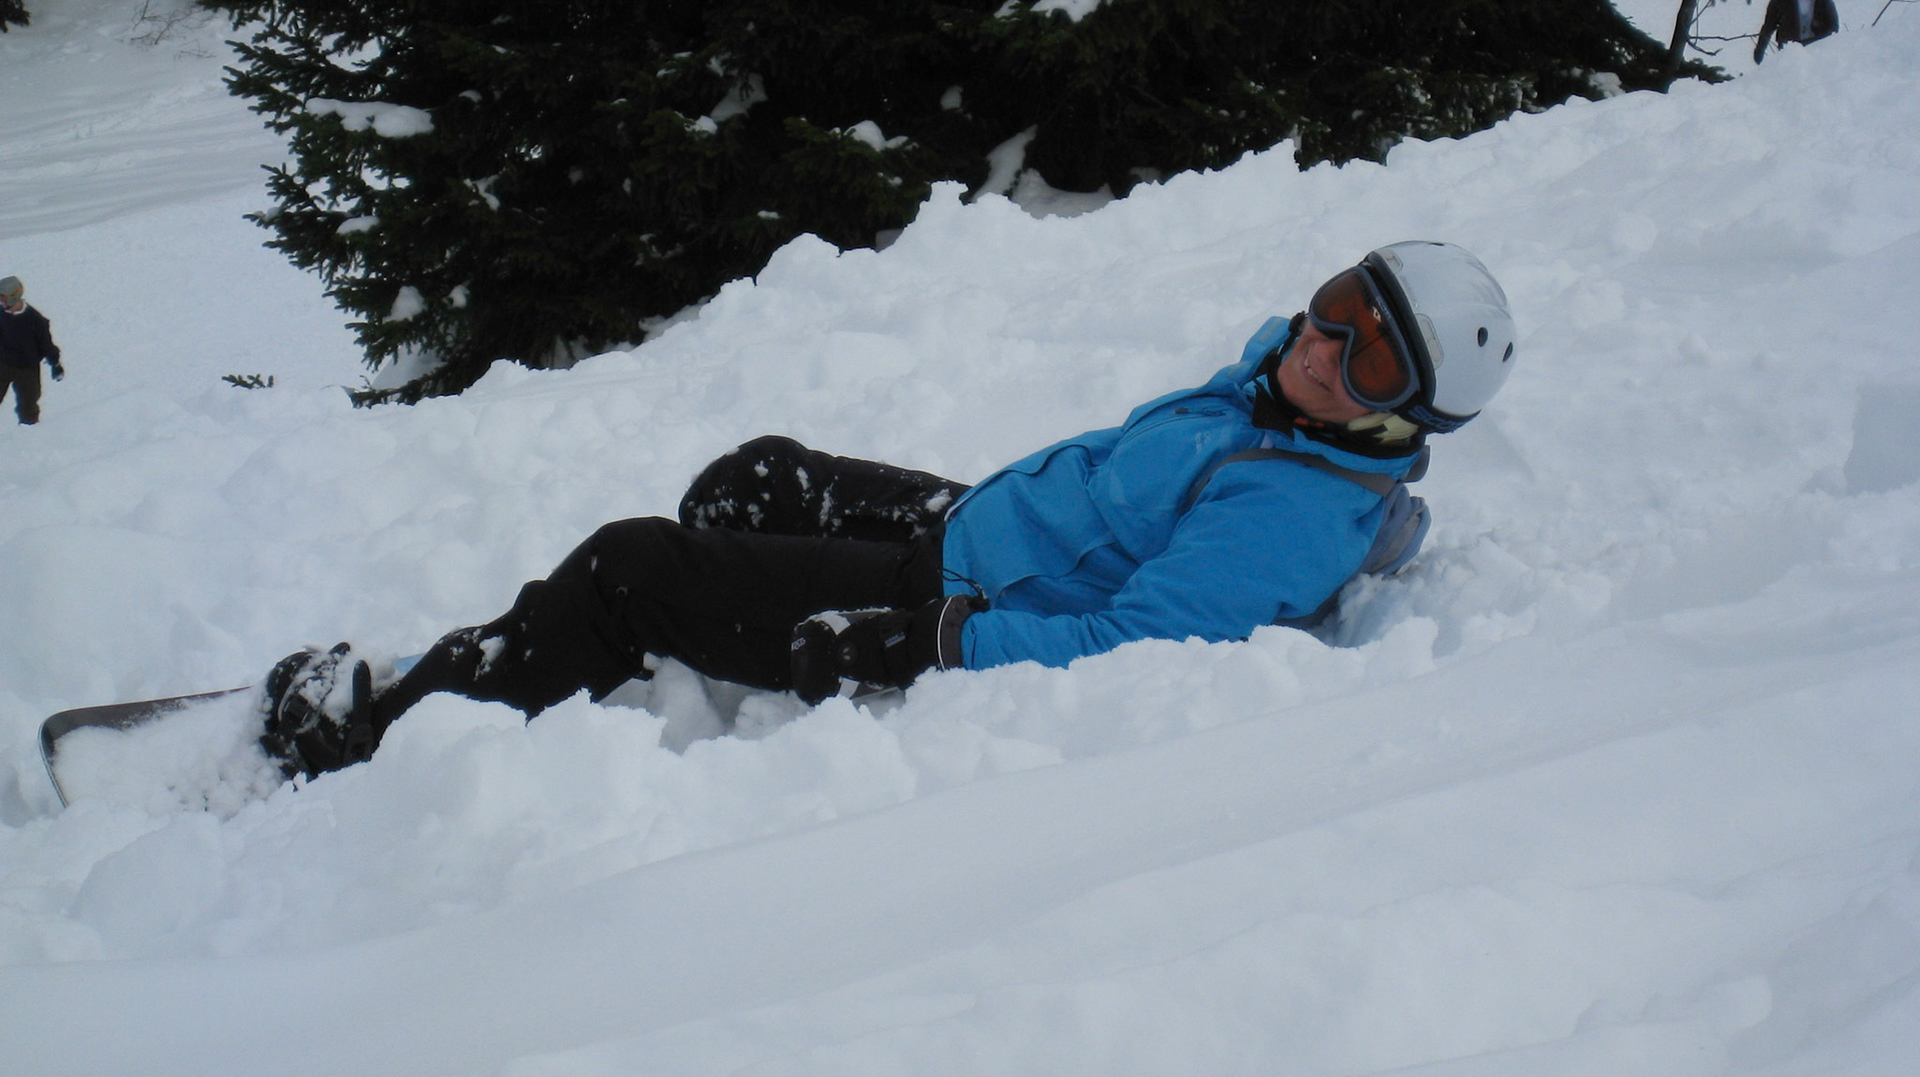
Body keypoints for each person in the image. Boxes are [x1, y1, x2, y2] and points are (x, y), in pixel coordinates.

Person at [258, 241, 1519, 778]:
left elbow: (1136, 649)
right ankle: (617, 649)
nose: (1320, 344)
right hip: (974, 522)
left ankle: (384, 741)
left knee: (629, 566)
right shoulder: (1284, 394)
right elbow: (1291, 385)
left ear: (1407, 414)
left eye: (1367, 356)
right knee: (750, 478)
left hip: (956, 596)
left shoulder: (1290, 510)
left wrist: (929, 644)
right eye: (1335, 304)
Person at [0, 276, 65, 426]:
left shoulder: (35, 321)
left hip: (27, 369)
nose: (1, 302)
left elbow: (46, 345)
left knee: (28, 403)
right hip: (3, 364)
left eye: (3, 298)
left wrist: (55, 364)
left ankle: (29, 433)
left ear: (13, 297)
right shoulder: (1, 315)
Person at [1754, 0, 1839, 62]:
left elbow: (1833, 28)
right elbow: (1768, 27)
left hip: (1818, 52)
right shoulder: (1780, 2)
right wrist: (1760, 50)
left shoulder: (1824, 2)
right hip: (1788, 52)